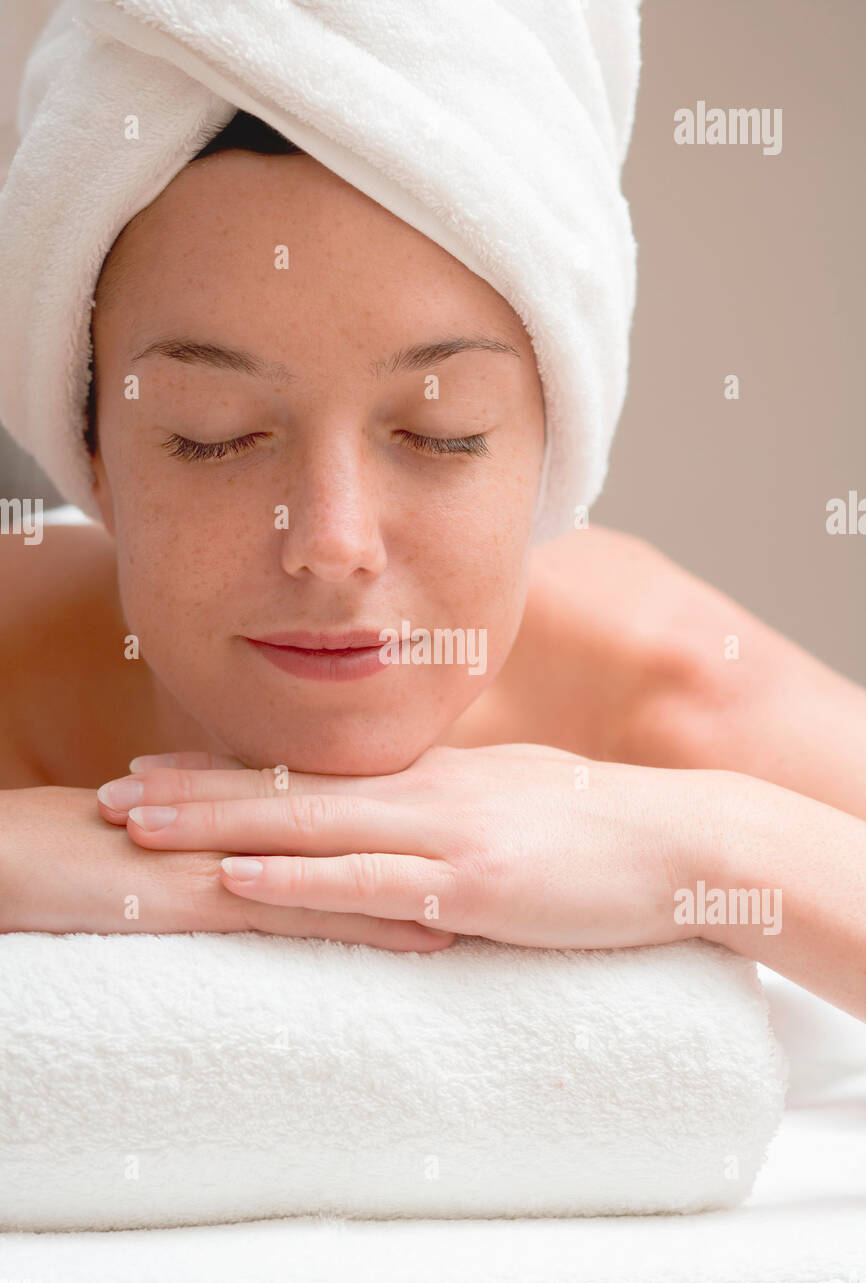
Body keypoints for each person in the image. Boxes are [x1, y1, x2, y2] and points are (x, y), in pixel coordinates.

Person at [1, 114, 864, 1018]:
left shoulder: (668, 686)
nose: (333, 543)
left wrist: (713, 843)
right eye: (213, 435)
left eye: (442, 432)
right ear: (93, 459)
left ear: (548, 457)